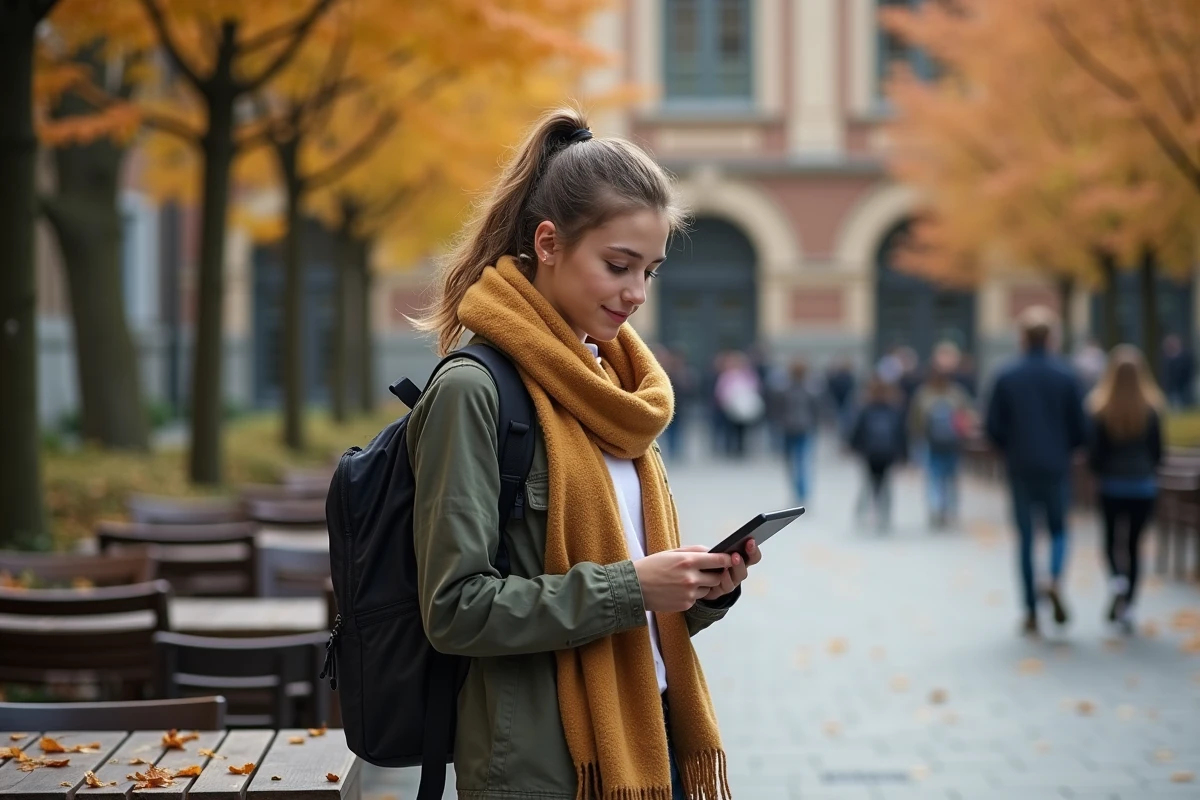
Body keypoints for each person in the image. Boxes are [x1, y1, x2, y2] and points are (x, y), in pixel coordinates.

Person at [408, 108, 758, 800]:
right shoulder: (473, 392)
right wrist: (634, 587)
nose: (636, 294)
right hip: (546, 768)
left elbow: (627, 592)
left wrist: (698, 588)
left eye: (650, 272)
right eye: (618, 266)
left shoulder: (617, 391)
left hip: (651, 745)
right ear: (548, 243)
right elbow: (454, 609)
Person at [985, 306, 1086, 637]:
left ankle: (1030, 610)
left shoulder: (1006, 375)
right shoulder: (1067, 375)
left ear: (1022, 338)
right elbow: (1081, 428)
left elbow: (993, 427)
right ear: (1052, 338)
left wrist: (1010, 447)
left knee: (1026, 538)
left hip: (1020, 466)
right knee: (1058, 530)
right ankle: (1054, 578)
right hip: (1056, 465)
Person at [1085, 345, 1165, 634]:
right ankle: (1129, 604)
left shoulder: (1101, 409)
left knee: (1110, 540)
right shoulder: (1152, 410)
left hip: (1112, 485)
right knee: (1133, 546)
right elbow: (1158, 453)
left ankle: (1117, 581)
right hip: (1142, 485)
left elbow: (1095, 454)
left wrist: (1099, 473)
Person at [909, 351, 974, 529]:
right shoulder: (956, 393)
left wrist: (915, 440)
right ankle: (949, 510)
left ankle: (936, 508)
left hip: (930, 442)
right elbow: (966, 415)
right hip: (952, 443)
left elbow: (915, 420)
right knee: (951, 478)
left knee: (933, 477)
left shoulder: (923, 393)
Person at [849, 376, 908, 531]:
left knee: (869, 484)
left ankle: (862, 514)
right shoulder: (894, 409)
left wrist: (853, 448)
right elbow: (901, 433)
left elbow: (857, 431)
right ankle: (884, 515)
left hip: (870, 453)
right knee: (886, 485)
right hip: (887, 454)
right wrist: (904, 454)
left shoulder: (866, 409)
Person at [779, 359, 821, 505]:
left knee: (795, 462)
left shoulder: (786, 389)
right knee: (801, 462)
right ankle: (801, 493)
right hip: (801, 428)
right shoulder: (810, 389)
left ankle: (800, 492)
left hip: (793, 428)